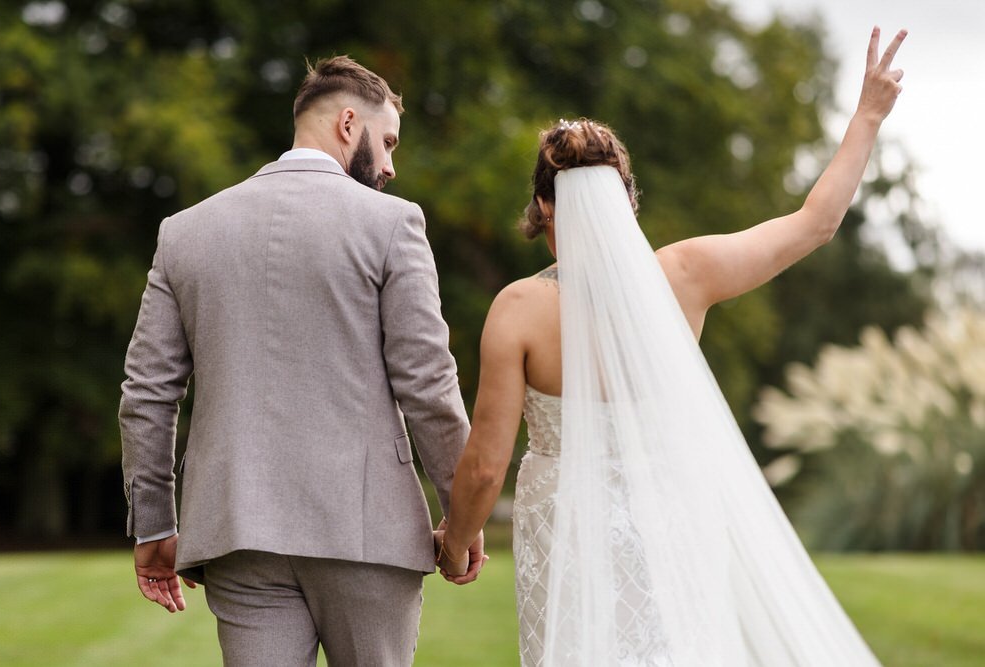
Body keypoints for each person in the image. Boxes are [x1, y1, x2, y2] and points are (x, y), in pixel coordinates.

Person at [437, 26, 907, 665]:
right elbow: (814, 223)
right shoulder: (685, 275)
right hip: (672, 523)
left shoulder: (518, 309)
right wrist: (867, 116)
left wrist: (456, 538)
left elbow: (487, 464)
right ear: (627, 200)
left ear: (544, 206)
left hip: (565, 535)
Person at [119, 55, 482, 666]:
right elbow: (427, 384)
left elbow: (146, 394)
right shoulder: (393, 223)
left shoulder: (185, 230)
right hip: (369, 533)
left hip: (239, 533)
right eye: (387, 141)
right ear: (348, 123)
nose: (391, 165)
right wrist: (462, 516)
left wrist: (154, 525)